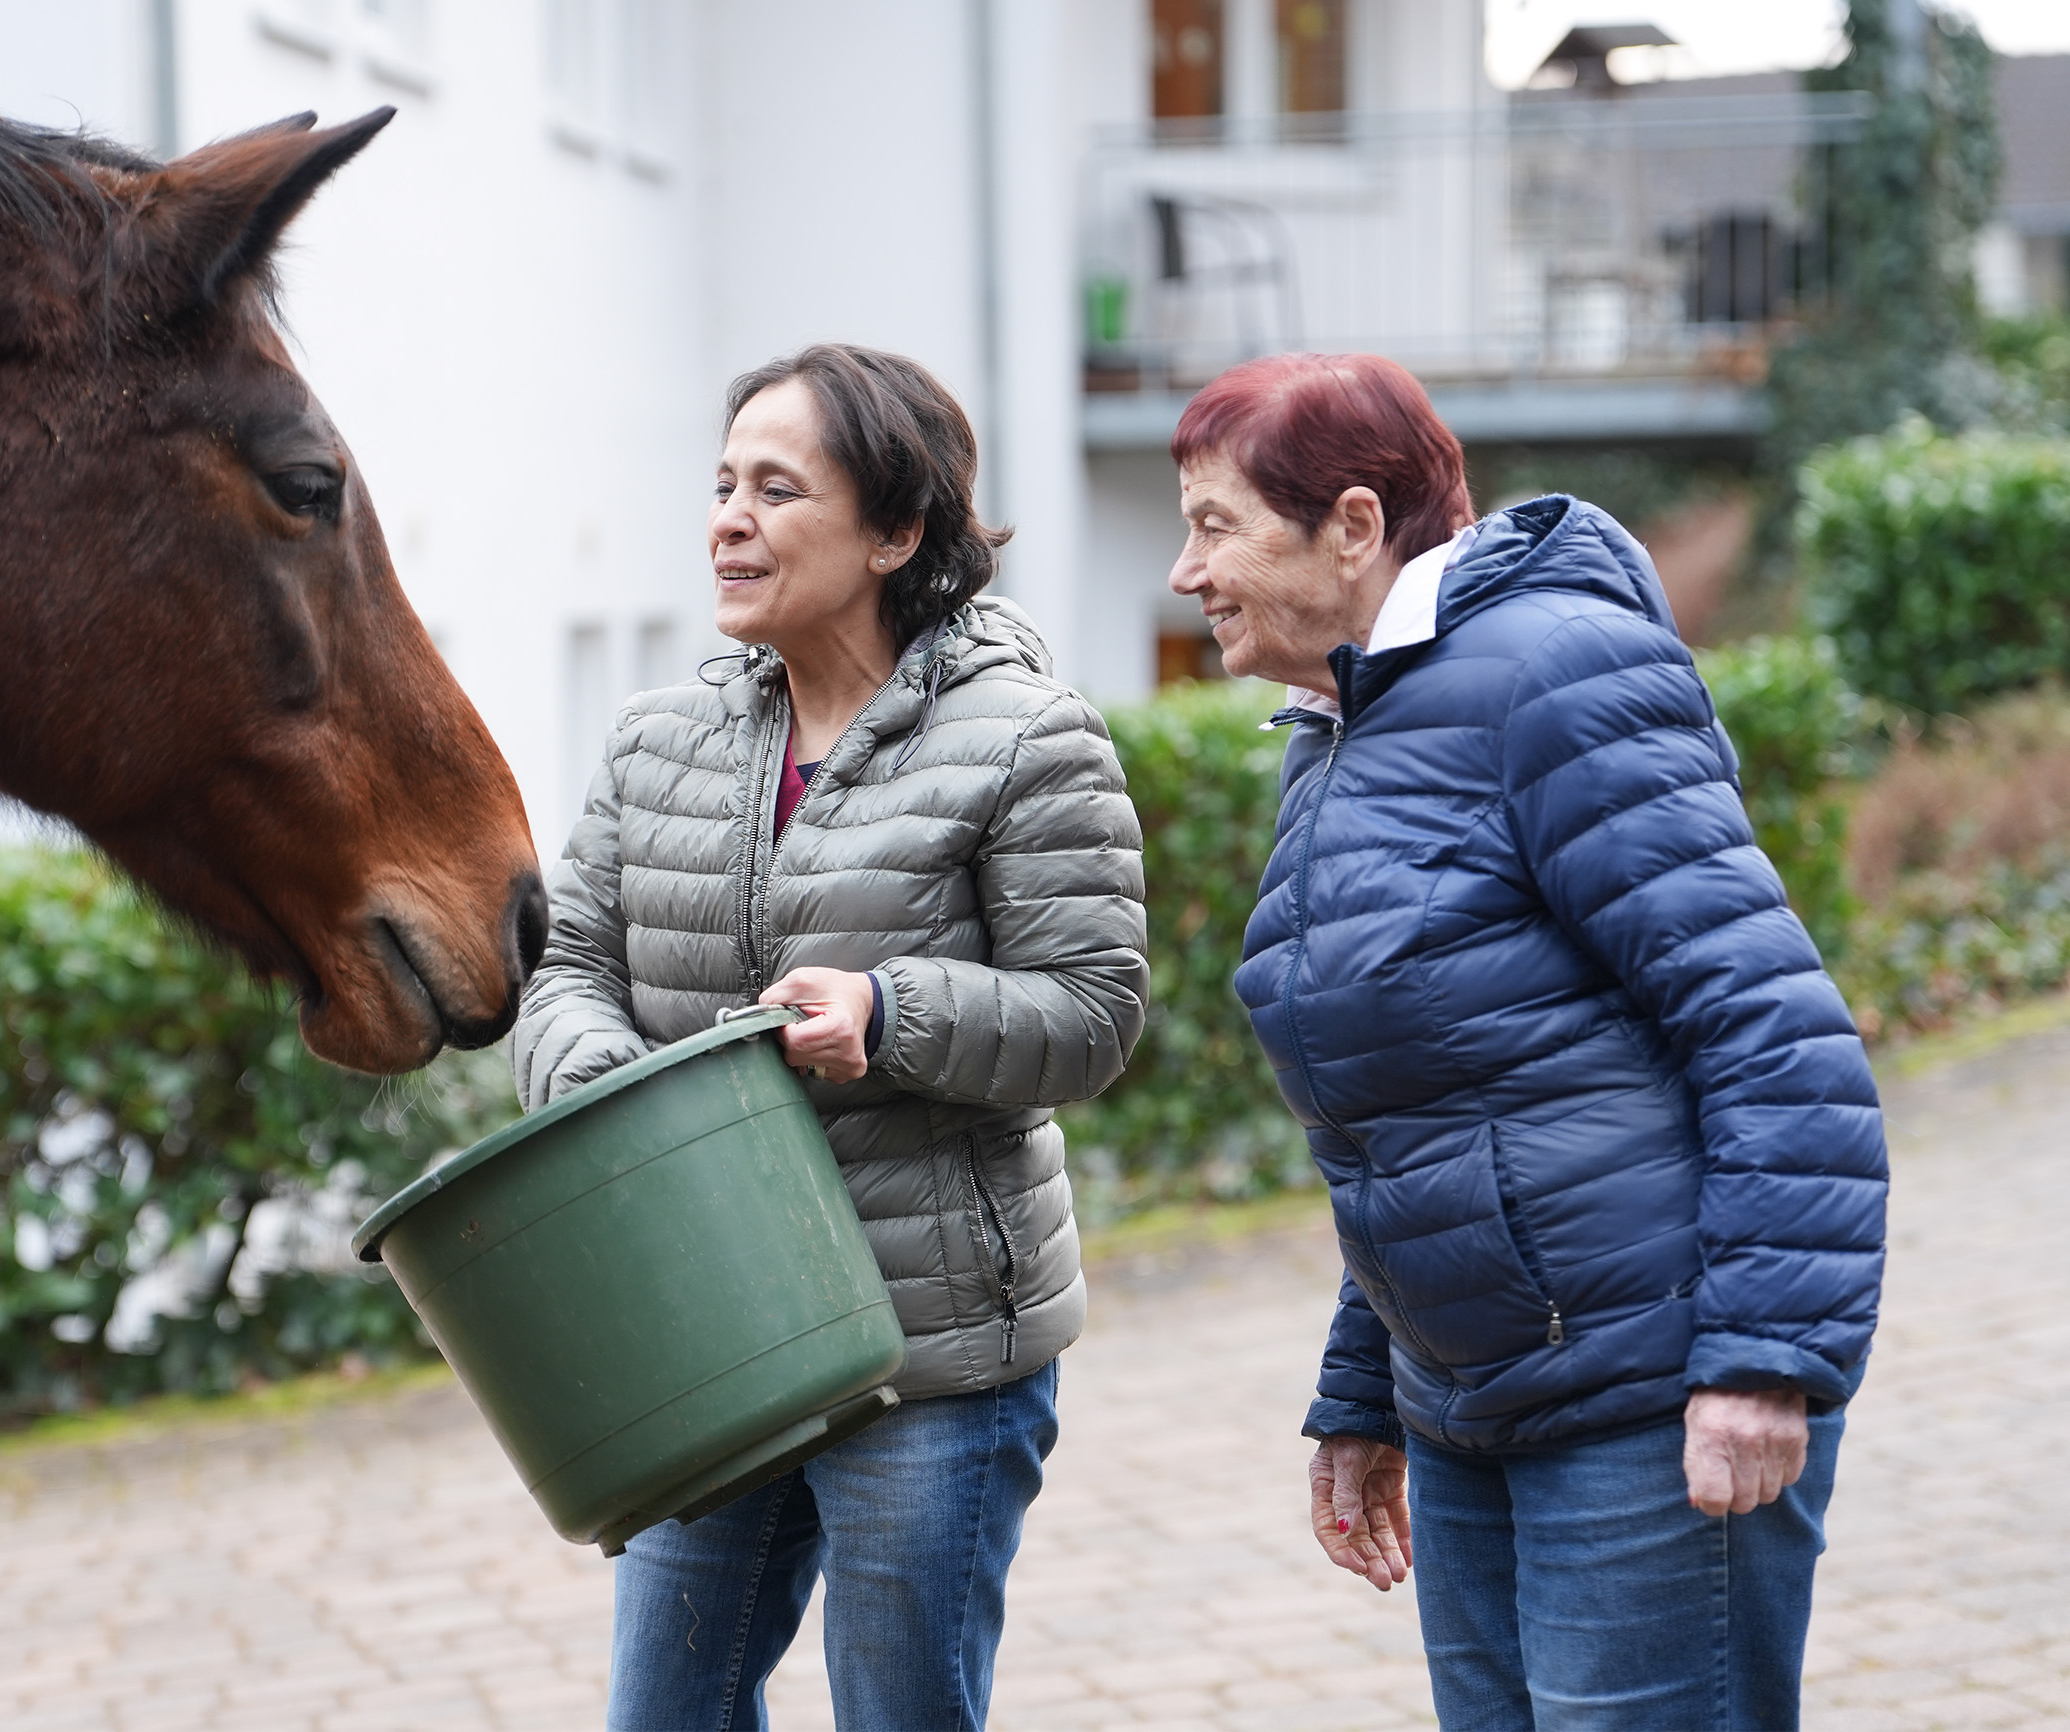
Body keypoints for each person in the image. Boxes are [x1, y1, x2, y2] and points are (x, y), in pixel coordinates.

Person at [1167, 352, 1887, 1731]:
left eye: (1216, 526)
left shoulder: (1554, 672)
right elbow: (1419, 1111)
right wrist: (1366, 1390)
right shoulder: (1346, 726)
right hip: (1472, 1409)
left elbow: (1773, 1030)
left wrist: (1760, 1364)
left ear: (1355, 527)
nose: (1186, 570)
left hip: (1646, 1391)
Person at [514, 342, 1148, 1731]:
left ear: (895, 532)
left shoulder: (1029, 740)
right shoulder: (656, 740)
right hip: (710, 1330)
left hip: (927, 1348)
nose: (728, 522)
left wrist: (892, 1012)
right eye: (723, 485)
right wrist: (604, 1085)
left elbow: (1093, 1017)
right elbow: (568, 967)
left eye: (777, 489)